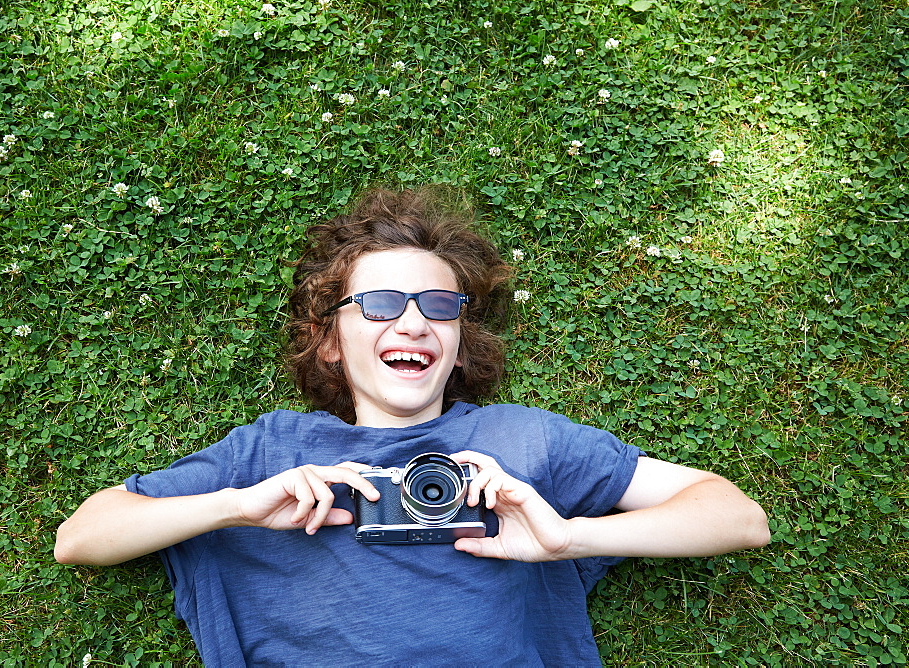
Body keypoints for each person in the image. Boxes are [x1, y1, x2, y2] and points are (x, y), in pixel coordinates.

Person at [55, 186, 770, 666]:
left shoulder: (522, 441)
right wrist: (238, 505)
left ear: (460, 342)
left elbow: (738, 518)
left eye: (438, 305)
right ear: (329, 339)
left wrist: (566, 539)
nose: (413, 321)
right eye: (381, 303)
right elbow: (82, 536)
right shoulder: (273, 450)